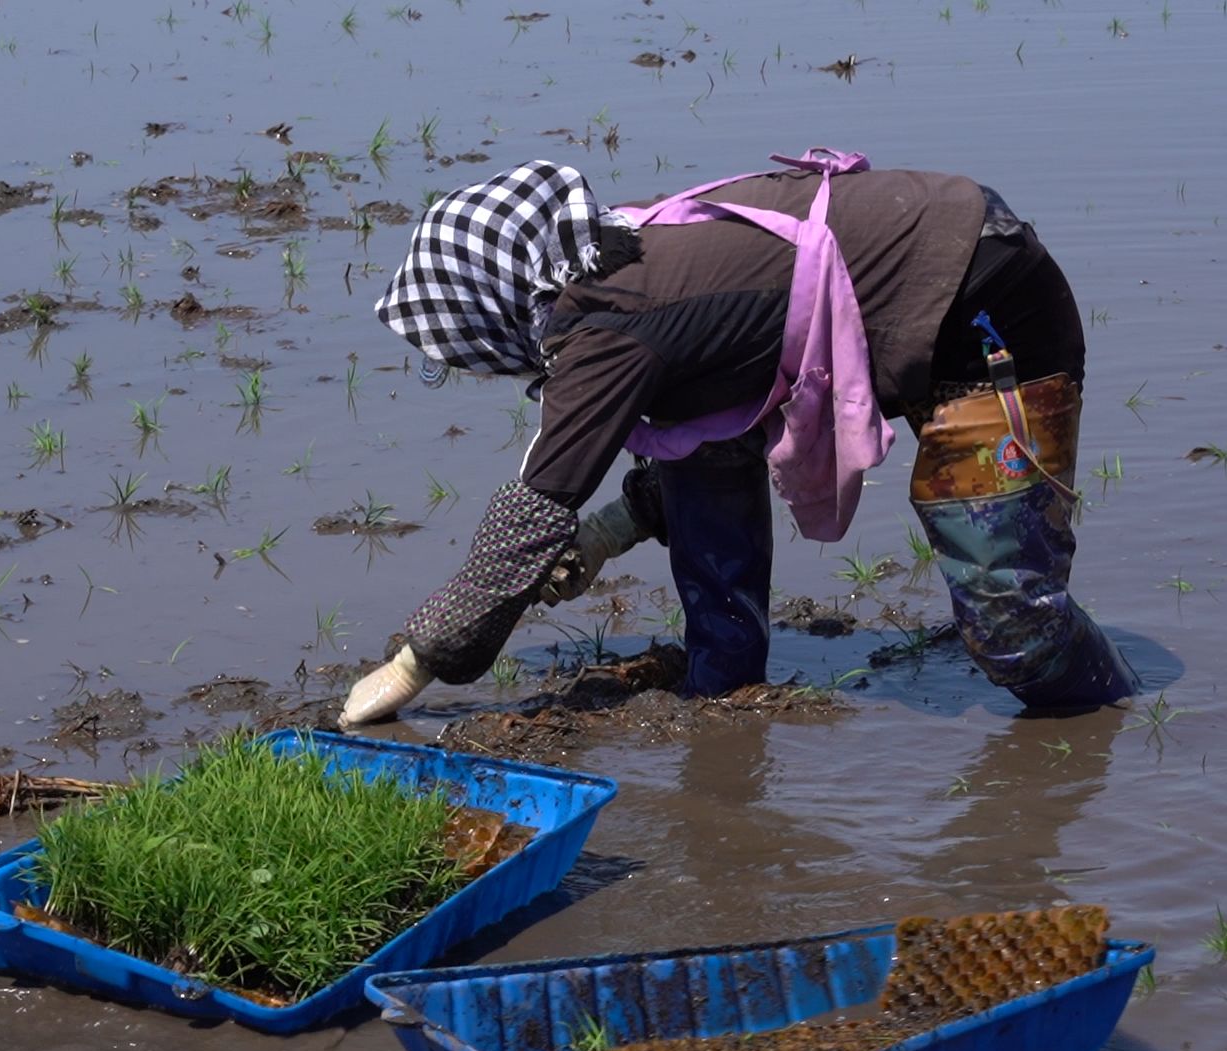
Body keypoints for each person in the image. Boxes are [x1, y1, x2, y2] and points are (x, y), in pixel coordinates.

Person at [339, 150, 1139, 726]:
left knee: (1011, 621)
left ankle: (1115, 723)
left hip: (987, 300)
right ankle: (725, 699)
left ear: (485, 307)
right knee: (701, 470)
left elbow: (536, 504)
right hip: (941, 269)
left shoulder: (608, 325)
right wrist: (608, 535)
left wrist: (419, 662)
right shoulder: (620, 264)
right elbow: (708, 435)